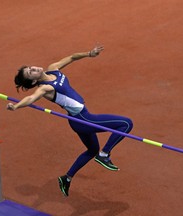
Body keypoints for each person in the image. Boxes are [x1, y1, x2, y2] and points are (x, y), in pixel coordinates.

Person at [7, 45, 133, 197]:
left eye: (30, 67)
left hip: (77, 120)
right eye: (30, 72)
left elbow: (72, 57)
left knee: (92, 150)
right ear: (33, 82)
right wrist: (16, 106)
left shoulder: (53, 68)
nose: (33, 68)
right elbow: (31, 98)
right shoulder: (45, 88)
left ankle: (66, 178)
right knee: (126, 124)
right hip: (83, 119)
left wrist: (89, 54)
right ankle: (104, 154)